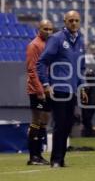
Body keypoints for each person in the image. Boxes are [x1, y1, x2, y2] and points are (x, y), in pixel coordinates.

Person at [37, 10, 88, 168]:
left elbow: (81, 67)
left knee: (67, 125)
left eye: (76, 20)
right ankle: (56, 160)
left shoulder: (80, 40)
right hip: (58, 90)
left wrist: (82, 87)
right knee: (60, 124)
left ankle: (61, 158)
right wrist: (46, 84)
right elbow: (41, 62)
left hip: (72, 90)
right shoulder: (56, 39)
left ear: (80, 22)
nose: (74, 23)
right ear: (65, 22)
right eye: (70, 20)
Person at [26, 20, 54, 165]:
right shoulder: (34, 45)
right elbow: (32, 70)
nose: (48, 32)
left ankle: (39, 154)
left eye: (50, 29)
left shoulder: (49, 45)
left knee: (44, 121)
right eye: (45, 29)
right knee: (36, 121)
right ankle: (33, 156)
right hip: (37, 90)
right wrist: (39, 90)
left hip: (47, 88)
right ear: (39, 29)